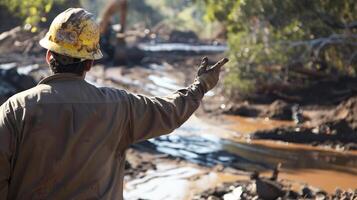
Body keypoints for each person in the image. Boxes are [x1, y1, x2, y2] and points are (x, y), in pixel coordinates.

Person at [0, 8, 228, 199]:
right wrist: (201, 86)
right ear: (90, 63)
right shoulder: (119, 105)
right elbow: (170, 112)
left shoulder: (15, 110)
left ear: (49, 56)